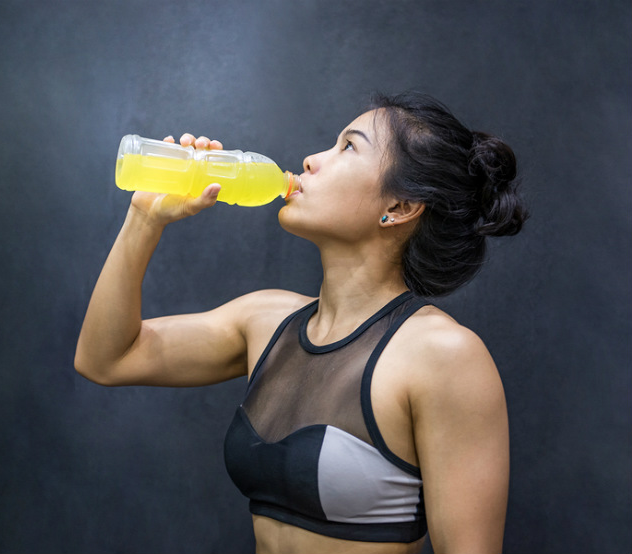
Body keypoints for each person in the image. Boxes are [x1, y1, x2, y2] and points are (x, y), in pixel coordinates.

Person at [74, 91, 527, 554]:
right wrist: (144, 218)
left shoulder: (441, 355)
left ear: (401, 206)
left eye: (348, 147)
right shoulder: (265, 320)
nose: (311, 160)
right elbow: (107, 359)